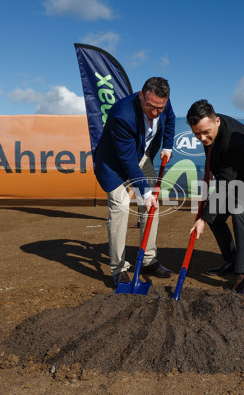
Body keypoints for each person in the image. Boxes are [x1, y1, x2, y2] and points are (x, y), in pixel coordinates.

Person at [93, 77, 175, 286]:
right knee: (120, 207)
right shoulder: (122, 115)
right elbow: (127, 162)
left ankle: (148, 259)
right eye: (150, 106)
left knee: (151, 206)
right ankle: (118, 268)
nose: (155, 112)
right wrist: (144, 192)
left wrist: (168, 145)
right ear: (141, 95)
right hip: (114, 164)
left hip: (139, 156)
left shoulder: (162, 102)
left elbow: (171, 119)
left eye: (160, 107)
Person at [187, 99, 244, 294]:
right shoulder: (210, 128)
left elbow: (226, 185)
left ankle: (243, 275)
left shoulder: (233, 140)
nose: (201, 137)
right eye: (196, 134)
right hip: (233, 178)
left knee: (239, 213)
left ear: (216, 121)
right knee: (216, 218)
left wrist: (201, 218)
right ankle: (231, 261)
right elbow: (213, 155)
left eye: (205, 132)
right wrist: (208, 172)